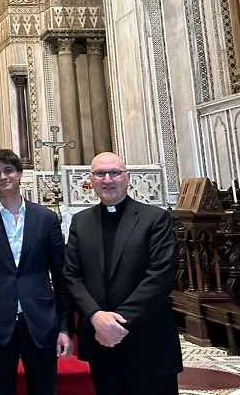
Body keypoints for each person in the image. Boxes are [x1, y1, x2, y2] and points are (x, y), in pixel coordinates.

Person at [64, 152, 181, 395]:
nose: (108, 179)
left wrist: (118, 323)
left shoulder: (155, 218)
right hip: (100, 343)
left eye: (115, 173)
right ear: (91, 180)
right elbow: (72, 277)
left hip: (147, 341)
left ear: (127, 177)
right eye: (100, 173)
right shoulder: (81, 222)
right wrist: (95, 316)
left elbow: (160, 276)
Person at [0, 149, 72, 395]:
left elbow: (60, 275)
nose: (3, 177)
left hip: (41, 321)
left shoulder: (46, 218)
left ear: (19, 174)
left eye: (8, 171)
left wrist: (65, 327)